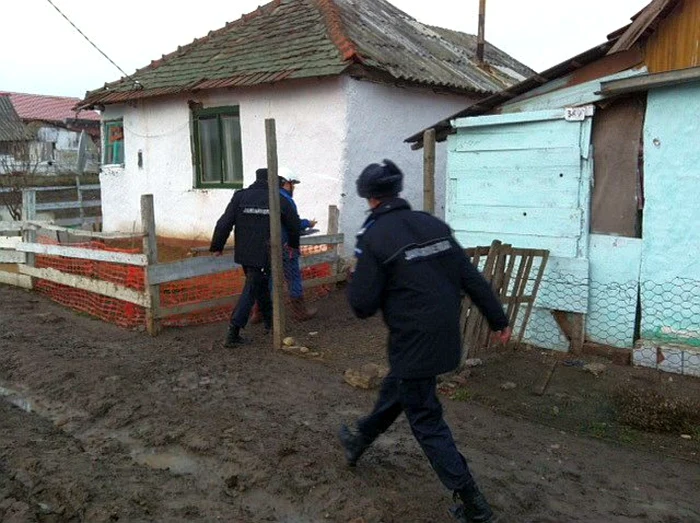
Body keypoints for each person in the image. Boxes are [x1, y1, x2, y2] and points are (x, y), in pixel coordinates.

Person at [338, 159, 512, 523]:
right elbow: (471, 277)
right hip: (446, 337)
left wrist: (362, 276)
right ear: (398, 192)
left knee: (426, 420)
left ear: (369, 198)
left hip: (413, 343)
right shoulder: (433, 225)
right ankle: (360, 439)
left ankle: (473, 504)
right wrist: (498, 319)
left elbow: (361, 305)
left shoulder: (375, 237)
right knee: (399, 387)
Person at [210, 167, 301, 347]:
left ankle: (270, 323)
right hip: (266, 253)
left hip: (244, 254)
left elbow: (224, 222)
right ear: (271, 181)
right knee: (252, 288)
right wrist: (293, 245)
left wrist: (217, 245)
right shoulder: (278, 199)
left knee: (259, 287)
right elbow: (294, 223)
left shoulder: (240, 196)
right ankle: (233, 332)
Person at [278, 167, 318, 321]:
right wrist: (308, 223)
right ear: (284, 183)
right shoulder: (287, 200)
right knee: (293, 277)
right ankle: (300, 312)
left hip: (271, 245)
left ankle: (261, 312)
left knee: (269, 278)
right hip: (288, 245)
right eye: (291, 183)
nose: (292, 187)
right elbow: (293, 223)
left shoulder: (269, 197)